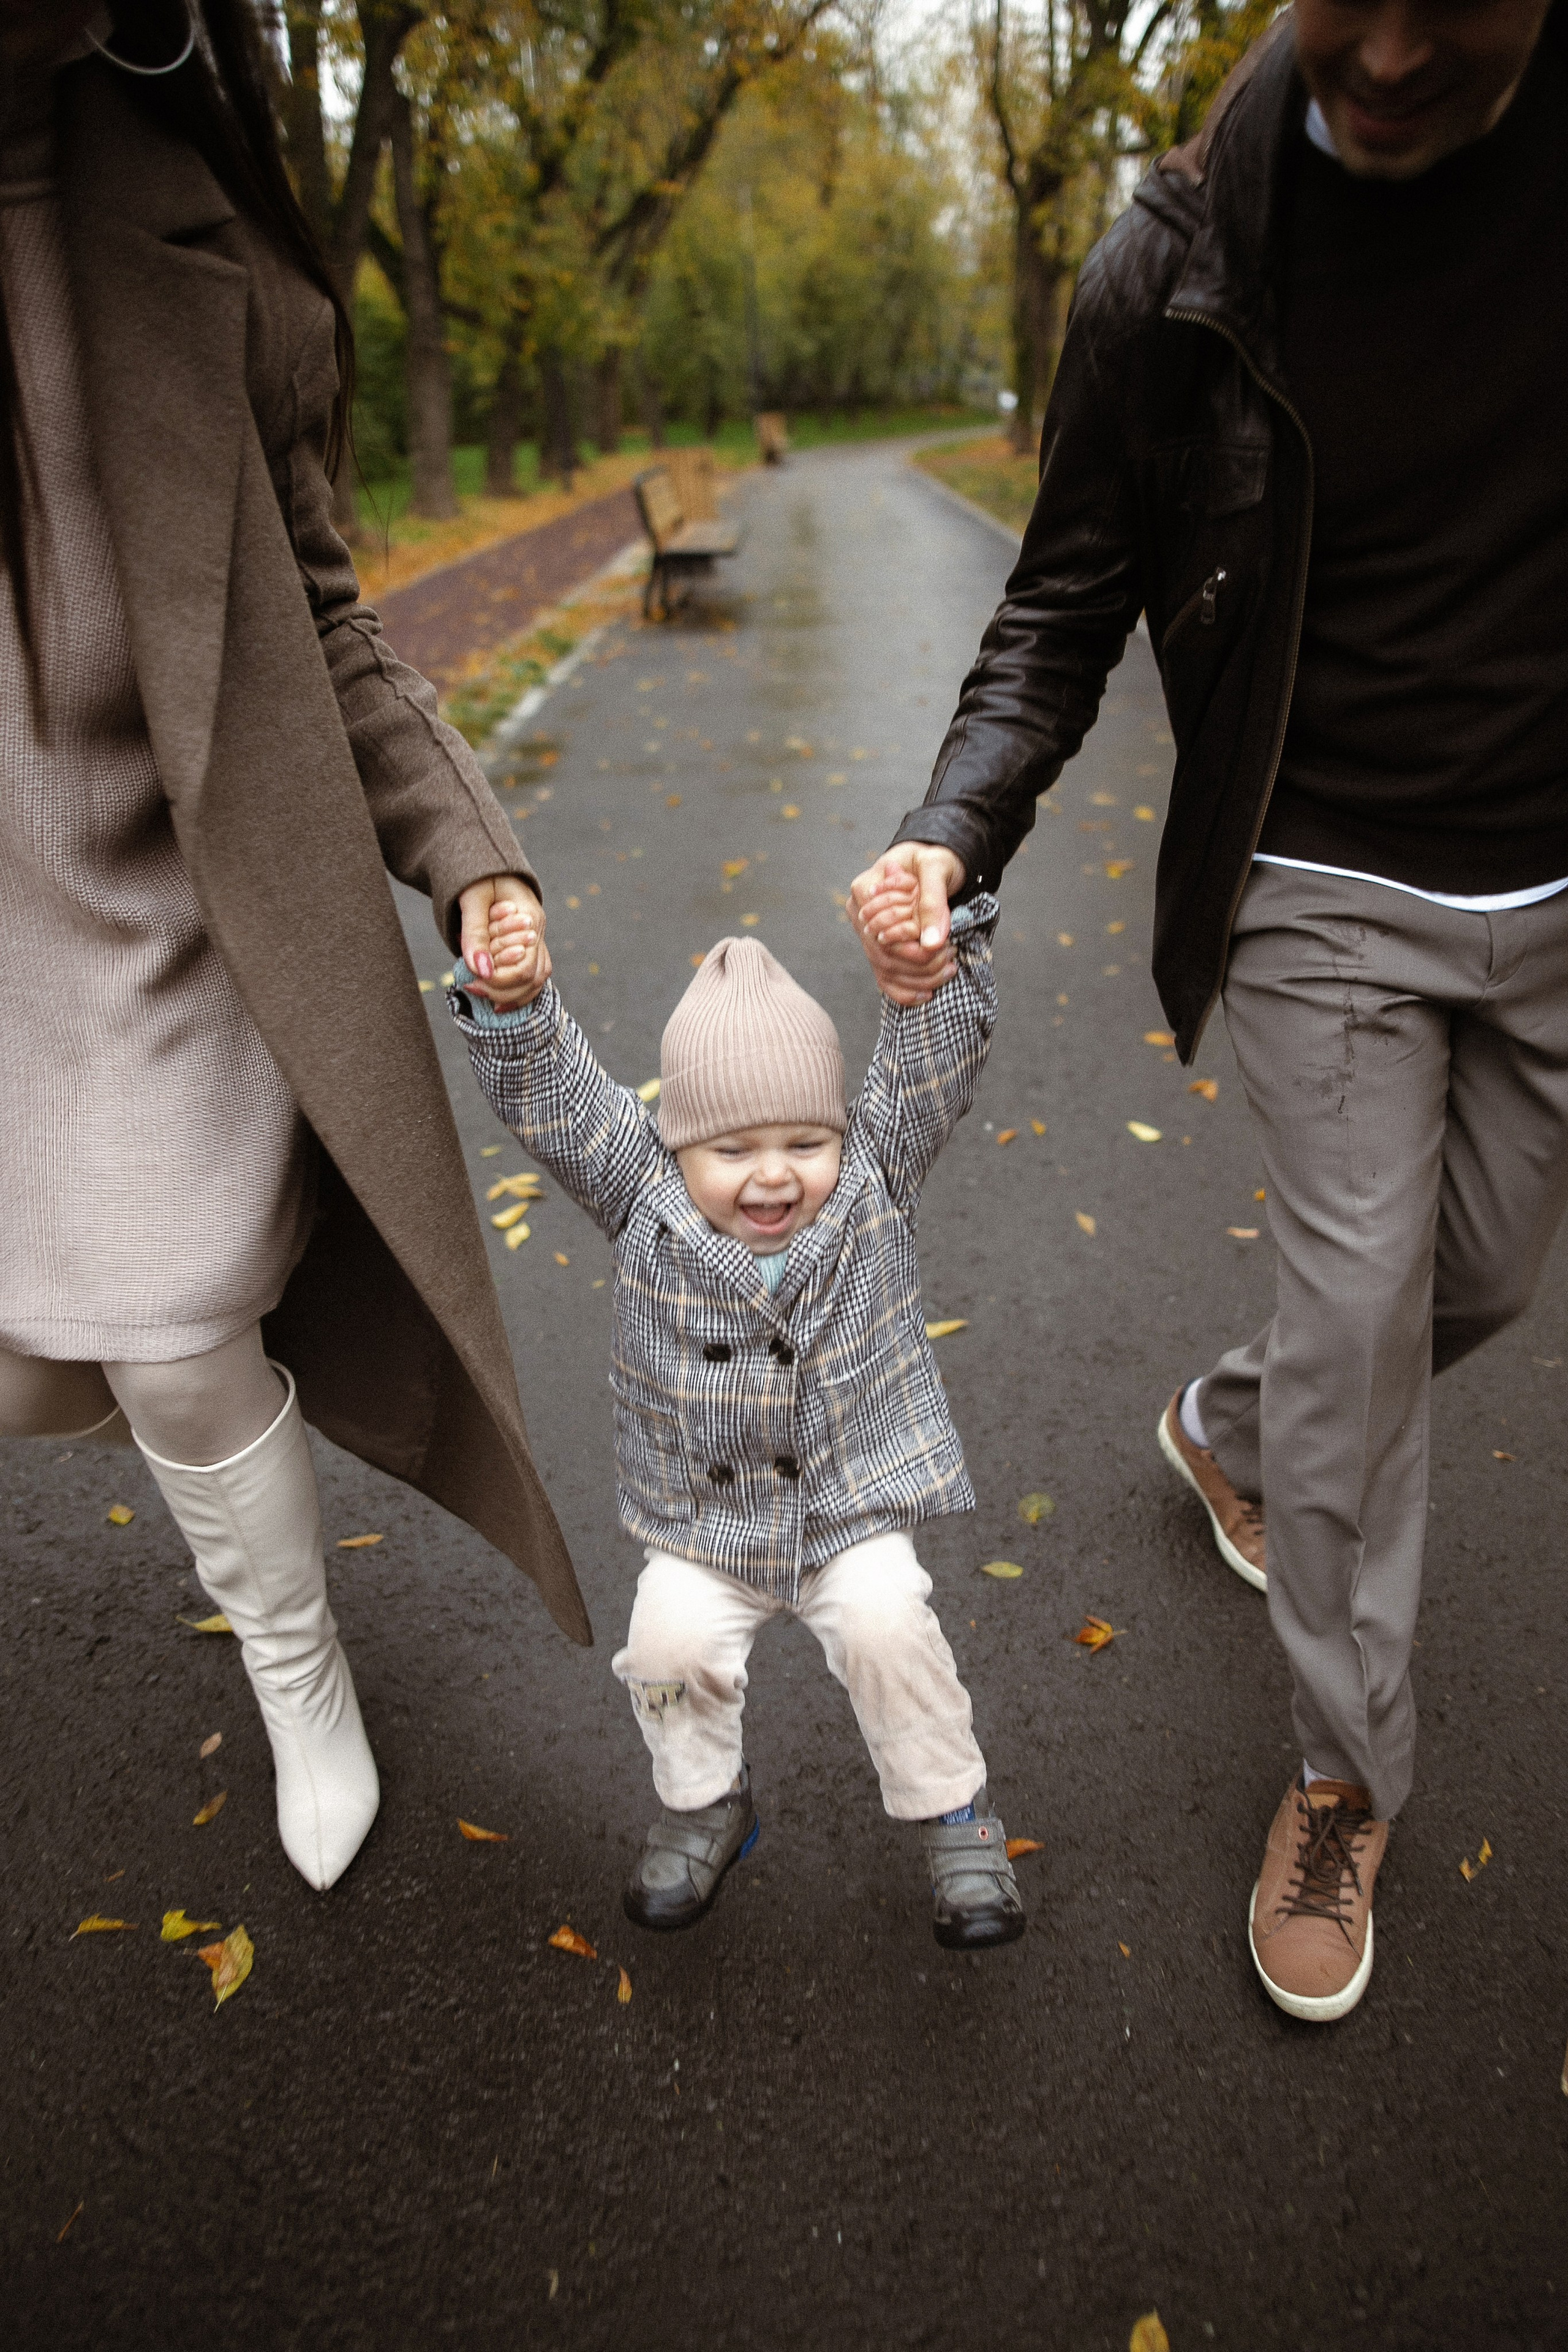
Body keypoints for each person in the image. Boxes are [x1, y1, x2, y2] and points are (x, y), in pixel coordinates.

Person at [850, 0, 1565, 2020]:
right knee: (1362, 1319)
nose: (1406, 51)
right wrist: (952, 831)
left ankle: (1230, 1423)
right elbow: (1063, 603)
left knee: (1481, 1275)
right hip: (1324, 876)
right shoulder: (1177, 266)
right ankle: (1347, 1773)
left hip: (1554, 889)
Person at [0, 0, 586, 1894]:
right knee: (33, 1370)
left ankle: (297, 1666)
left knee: (175, 1336)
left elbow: (328, 618)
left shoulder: (204, 239)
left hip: (178, 889)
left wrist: (466, 853)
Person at [447, 880, 1027, 1948]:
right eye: (733, 1152)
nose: (774, 1177)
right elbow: (562, 1098)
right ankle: (707, 1798)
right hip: (706, 1527)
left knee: (893, 1628)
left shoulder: (874, 1179)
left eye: (806, 1142)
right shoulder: (640, 1193)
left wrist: (941, 953)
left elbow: (932, 1067)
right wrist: (518, 1006)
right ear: (676, 1147)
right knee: (665, 1648)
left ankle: (954, 1811)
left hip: (846, 1508)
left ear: (842, 1134)